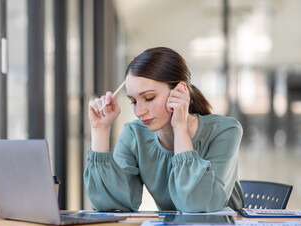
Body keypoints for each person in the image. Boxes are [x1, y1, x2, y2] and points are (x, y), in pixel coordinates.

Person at [84, 47, 244, 212]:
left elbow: (197, 205)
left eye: (149, 98)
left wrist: (180, 127)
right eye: (133, 101)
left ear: (180, 91)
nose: (139, 112)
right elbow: (111, 205)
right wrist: (100, 130)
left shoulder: (226, 130)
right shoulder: (134, 135)